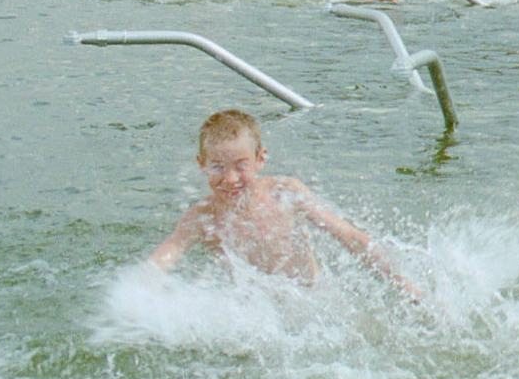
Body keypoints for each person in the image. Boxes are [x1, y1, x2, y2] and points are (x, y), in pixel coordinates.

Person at [149, 110, 422, 299]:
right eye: (217, 167)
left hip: (312, 302)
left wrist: (405, 285)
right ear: (202, 165)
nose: (230, 179)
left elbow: (349, 236)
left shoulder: (285, 193)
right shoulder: (202, 217)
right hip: (257, 312)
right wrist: (137, 294)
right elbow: (165, 256)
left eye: (240, 166)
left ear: (260, 159)